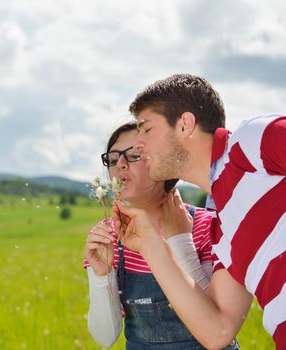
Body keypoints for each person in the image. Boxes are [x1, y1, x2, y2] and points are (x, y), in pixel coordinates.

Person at [115, 73, 286, 349]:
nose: (138, 143)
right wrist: (151, 244)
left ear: (185, 124)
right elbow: (217, 332)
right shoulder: (222, 230)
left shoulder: (249, 141)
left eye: (146, 129)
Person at [83, 122, 239, 349]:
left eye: (135, 155)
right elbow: (104, 337)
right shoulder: (108, 237)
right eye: (114, 158)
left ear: (163, 162)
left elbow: (218, 329)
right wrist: (101, 275)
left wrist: (181, 242)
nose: (121, 165)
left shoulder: (209, 226)